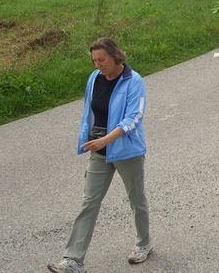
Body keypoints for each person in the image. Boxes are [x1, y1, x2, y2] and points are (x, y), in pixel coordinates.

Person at [47, 37, 151, 273]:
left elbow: (133, 118)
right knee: (89, 203)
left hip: (127, 152)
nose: (98, 65)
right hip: (99, 152)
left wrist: (106, 139)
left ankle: (143, 245)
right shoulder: (94, 78)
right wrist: (90, 138)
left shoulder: (133, 81)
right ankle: (73, 259)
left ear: (115, 56)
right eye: (94, 60)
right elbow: (89, 111)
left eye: (102, 60)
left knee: (136, 200)